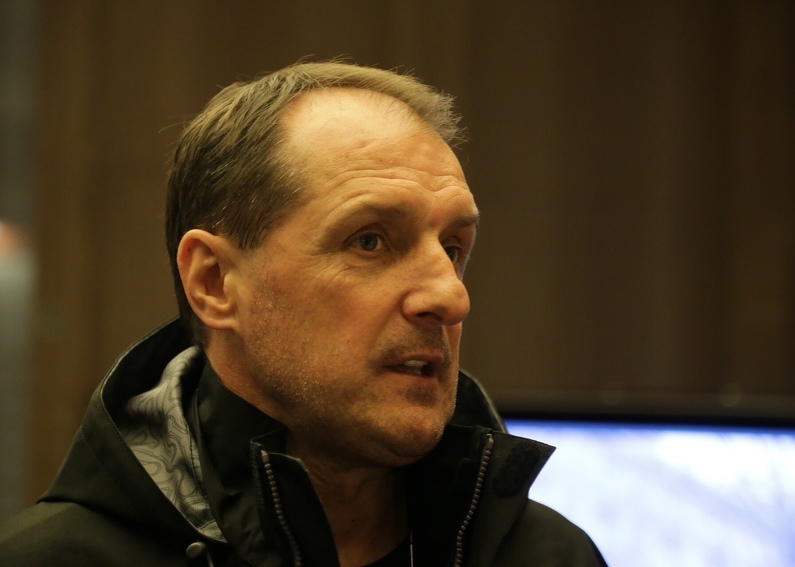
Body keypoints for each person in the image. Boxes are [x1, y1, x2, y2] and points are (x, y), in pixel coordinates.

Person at [0, 61, 608, 566]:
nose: (451, 297)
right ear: (214, 283)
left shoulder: (552, 557)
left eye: (452, 249)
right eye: (370, 240)